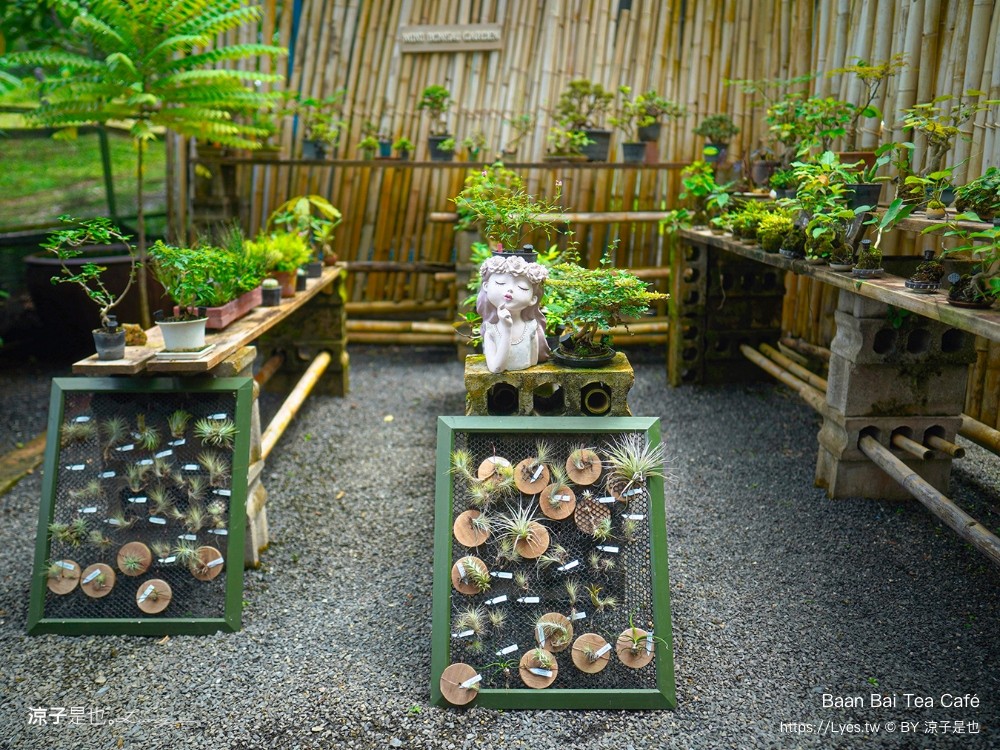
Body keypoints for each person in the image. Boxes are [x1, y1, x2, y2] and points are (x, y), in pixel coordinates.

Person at [476, 253, 550, 372]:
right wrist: (506, 330)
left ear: (533, 299)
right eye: (500, 283)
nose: (509, 289)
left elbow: (533, 361)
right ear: (486, 286)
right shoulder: (490, 331)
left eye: (522, 287)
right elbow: (496, 368)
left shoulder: (531, 328)